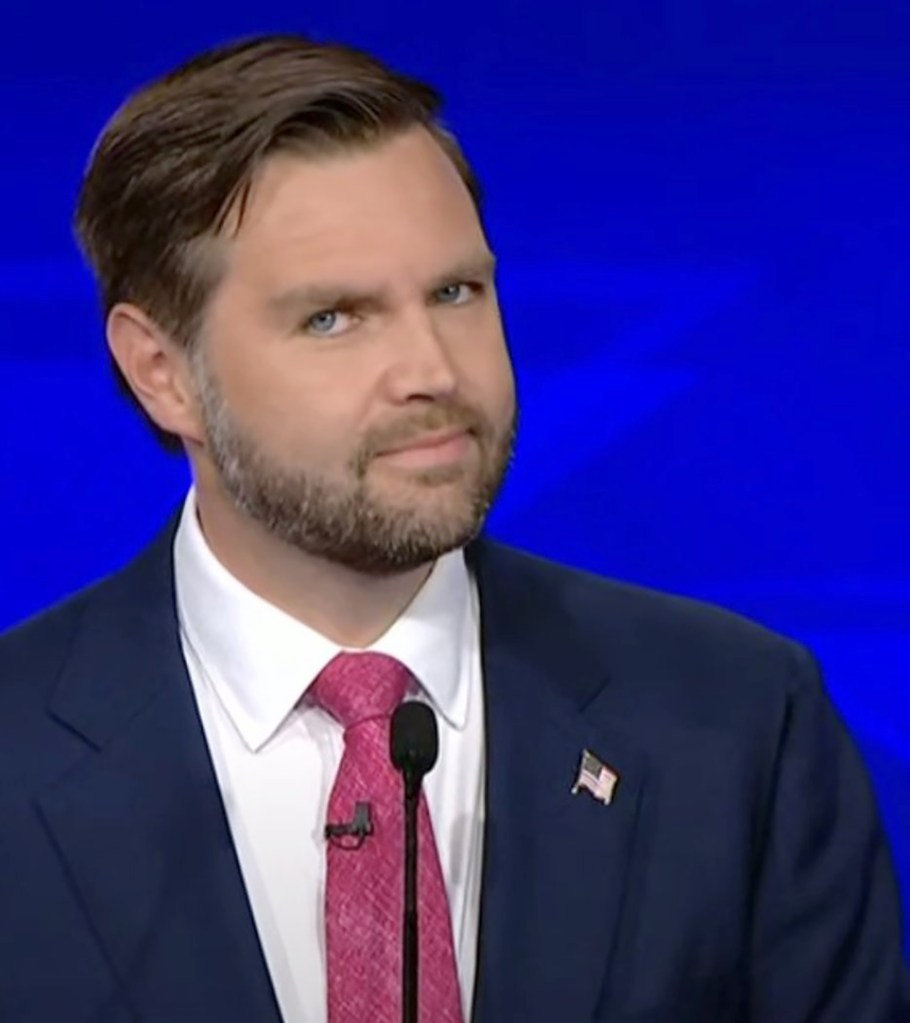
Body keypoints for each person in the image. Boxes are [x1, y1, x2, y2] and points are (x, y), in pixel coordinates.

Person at [0, 32, 906, 1023]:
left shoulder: (740, 722)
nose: (433, 369)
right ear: (161, 371)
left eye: (454, 293)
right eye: (333, 318)